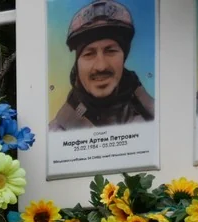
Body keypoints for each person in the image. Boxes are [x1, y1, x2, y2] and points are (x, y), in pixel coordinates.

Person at [49, 1, 155, 130]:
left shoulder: (161, 118)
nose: (101, 66)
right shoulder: (55, 133)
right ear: (77, 64)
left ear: (124, 57)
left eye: (111, 51)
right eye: (89, 54)